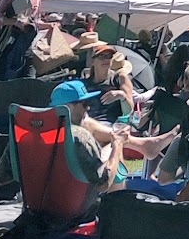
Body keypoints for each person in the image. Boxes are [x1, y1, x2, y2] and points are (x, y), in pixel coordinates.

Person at [49, 79, 181, 190]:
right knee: (112, 145)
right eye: (83, 104)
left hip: (55, 191)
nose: (88, 108)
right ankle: (143, 146)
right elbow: (103, 183)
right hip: (80, 200)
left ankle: (143, 145)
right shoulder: (81, 137)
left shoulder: (45, 129)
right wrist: (117, 144)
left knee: (88, 121)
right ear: (67, 106)